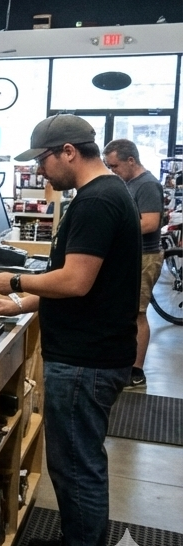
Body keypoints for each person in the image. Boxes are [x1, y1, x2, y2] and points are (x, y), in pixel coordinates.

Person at [0, 115, 139, 546]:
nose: (41, 173)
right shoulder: (106, 195)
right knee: (72, 465)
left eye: (43, 161)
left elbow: (75, 281)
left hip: (86, 361)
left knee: (78, 468)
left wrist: (17, 282)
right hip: (92, 352)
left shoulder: (97, 201)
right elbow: (79, 286)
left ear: (68, 151)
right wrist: (18, 306)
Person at [104, 138, 164, 390]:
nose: (112, 171)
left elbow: (150, 222)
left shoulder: (147, 184)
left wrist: (114, 229)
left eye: (115, 166)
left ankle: (136, 372)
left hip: (145, 257)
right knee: (127, 311)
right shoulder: (130, 183)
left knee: (138, 313)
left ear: (131, 160)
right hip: (132, 256)